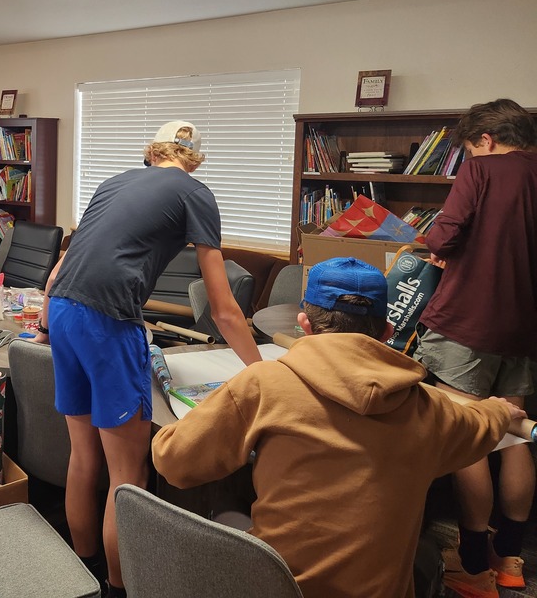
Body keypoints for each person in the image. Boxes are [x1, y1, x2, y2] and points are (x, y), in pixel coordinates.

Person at [152, 256, 523, 598]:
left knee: (231, 517)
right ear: (387, 330)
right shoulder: (430, 408)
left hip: (279, 587)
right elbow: (481, 424)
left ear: (304, 325)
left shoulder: (263, 384)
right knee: (424, 555)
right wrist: (500, 412)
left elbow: (173, 462)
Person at [40, 120, 262, 598]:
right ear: (193, 159)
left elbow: (58, 270)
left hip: (62, 312)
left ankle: (82, 574)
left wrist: (49, 323)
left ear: (153, 152)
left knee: (84, 455)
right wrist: (263, 372)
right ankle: (117, 589)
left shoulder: (112, 182)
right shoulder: (194, 192)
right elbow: (223, 309)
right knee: (128, 475)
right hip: (106, 322)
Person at [412, 98, 537, 596]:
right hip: (526, 329)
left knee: (471, 435)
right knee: (516, 434)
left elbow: (443, 237)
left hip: (470, 322)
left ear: (484, 141)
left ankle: (471, 564)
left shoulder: (482, 170)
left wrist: (438, 239)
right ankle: (510, 558)